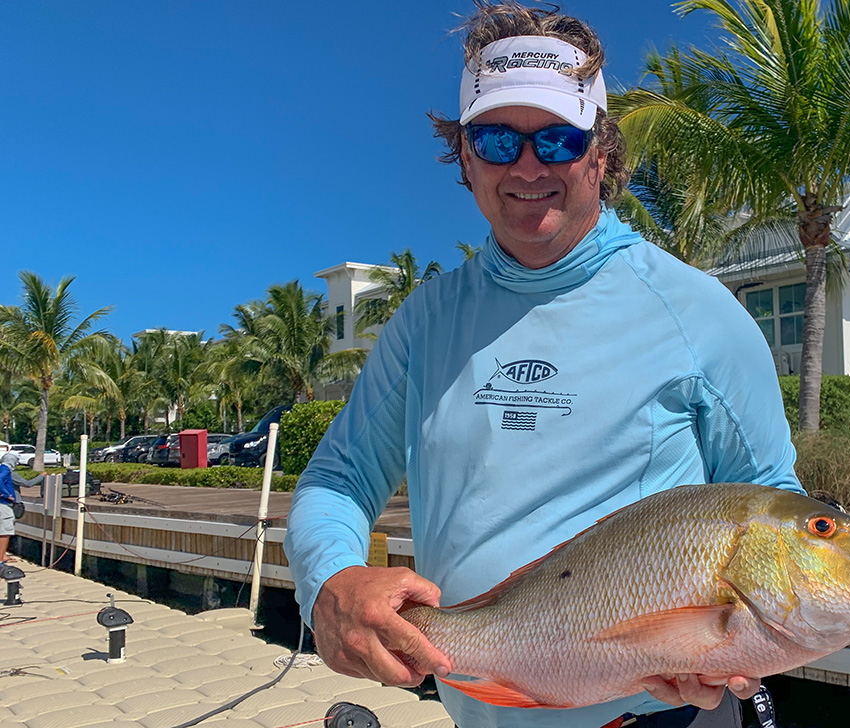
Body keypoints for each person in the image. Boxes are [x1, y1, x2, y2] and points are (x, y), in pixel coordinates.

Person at [283, 3, 803, 727]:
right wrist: (330, 581)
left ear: (601, 151)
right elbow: (339, 479)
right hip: (475, 706)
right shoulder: (427, 320)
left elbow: (773, 511)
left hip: (661, 718)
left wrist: (733, 645)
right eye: (497, 139)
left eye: (557, 139)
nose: (528, 166)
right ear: (465, 157)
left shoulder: (699, 313)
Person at [0, 451, 20, 563]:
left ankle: (3, 555)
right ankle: (1, 558)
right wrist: (7, 494)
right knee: (5, 530)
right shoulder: (5, 469)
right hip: (3, 504)